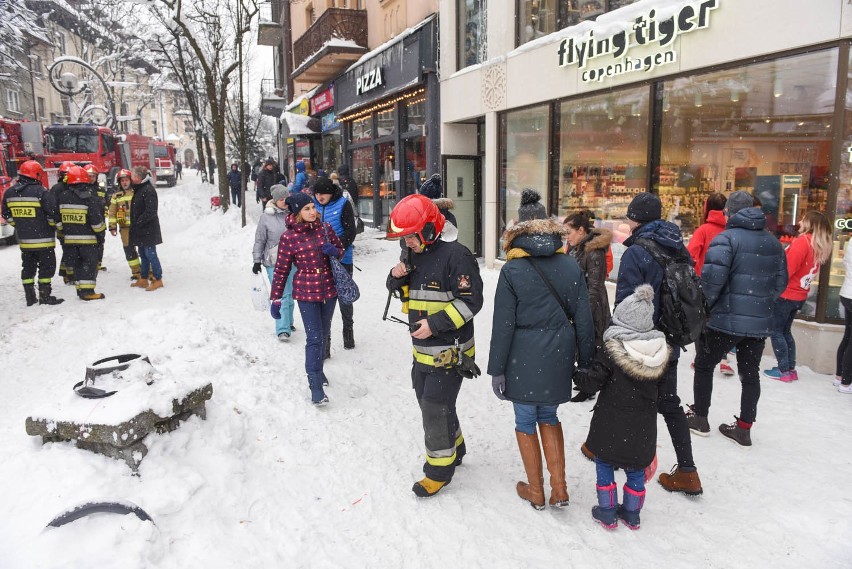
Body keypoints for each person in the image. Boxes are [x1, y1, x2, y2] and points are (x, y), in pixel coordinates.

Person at [488, 212, 594, 510]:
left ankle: (536, 490)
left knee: (525, 420)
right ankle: (559, 489)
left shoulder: (513, 270)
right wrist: (585, 361)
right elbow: (584, 319)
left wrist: (496, 368)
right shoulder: (570, 265)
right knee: (549, 416)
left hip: (522, 357)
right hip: (559, 355)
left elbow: (503, 325)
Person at [386, 194, 483, 498]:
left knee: (434, 407)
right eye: (403, 239)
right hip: (422, 352)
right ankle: (456, 446)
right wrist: (394, 277)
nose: (407, 244)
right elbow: (405, 293)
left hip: (450, 353)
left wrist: (435, 324)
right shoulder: (413, 254)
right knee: (433, 405)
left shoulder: (458, 256)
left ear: (428, 229)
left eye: (410, 237)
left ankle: (439, 471)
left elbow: (471, 302)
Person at [615, 192, 702, 495]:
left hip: (643, 340)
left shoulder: (636, 253)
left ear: (634, 219)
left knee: (636, 402)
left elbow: (626, 306)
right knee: (668, 402)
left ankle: (635, 465)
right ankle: (688, 471)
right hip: (672, 338)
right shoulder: (678, 246)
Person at [687, 191, 787, 447]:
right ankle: (744, 428)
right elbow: (780, 283)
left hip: (724, 320)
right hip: (757, 322)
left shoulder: (726, 239)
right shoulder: (773, 243)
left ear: (729, 212)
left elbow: (710, 283)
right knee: (750, 374)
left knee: (705, 365)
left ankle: (700, 418)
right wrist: (760, 304)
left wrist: (706, 308)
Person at [575, 284, 670, 530]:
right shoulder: (660, 353)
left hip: (610, 423)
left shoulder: (612, 351)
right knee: (637, 468)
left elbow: (591, 382)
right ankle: (632, 513)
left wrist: (575, 373)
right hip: (643, 427)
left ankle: (607, 511)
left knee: (605, 464)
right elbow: (665, 393)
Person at [269, 192, 343, 406]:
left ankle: (319, 372)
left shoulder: (326, 229)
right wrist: (276, 299)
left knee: (325, 332)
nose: (313, 212)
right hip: (306, 291)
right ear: (297, 213)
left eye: (313, 207)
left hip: (329, 289)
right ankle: (315, 385)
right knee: (314, 337)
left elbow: (341, 249)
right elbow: (281, 270)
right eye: (307, 209)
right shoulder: (289, 237)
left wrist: (334, 251)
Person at [764, 211, 831, 382]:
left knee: (777, 331)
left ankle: (783, 370)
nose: (800, 221)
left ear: (810, 223)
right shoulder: (817, 244)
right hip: (798, 296)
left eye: (804, 219)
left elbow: (788, 270)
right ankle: (789, 368)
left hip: (787, 294)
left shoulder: (803, 242)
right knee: (785, 331)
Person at [564, 209, 613, 403]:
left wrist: (584, 313)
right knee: (583, 345)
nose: (566, 237)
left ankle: (590, 386)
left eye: (569, 232)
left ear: (582, 230)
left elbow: (594, 287)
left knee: (592, 346)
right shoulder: (578, 249)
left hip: (593, 309)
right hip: (581, 306)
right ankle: (585, 381)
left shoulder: (594, 252)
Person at [1, 160, 64, 306]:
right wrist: (55, 227)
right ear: (36, 174)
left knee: (28, 268)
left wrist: (19, 224)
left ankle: (30, 297)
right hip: (44, 240)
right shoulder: (41, 192)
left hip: (24, 241)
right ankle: (45, 296)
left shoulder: (10, 192)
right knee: (46, 267)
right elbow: (52, 214)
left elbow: (6, 213)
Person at [687, 193, 735, 376]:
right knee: (720, 322)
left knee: (702, 321)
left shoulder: (704, 230)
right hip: (728, 284)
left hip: (705, 283)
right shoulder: (731, 232)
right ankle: (722, 358)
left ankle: (701, 357)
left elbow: (691, 255)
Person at [313, 177, 358, 351]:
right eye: (316, 193)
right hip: (321, 261)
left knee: (344, 297)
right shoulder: (313, 206)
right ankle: (326, 342)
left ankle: (348, 331)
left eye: (322, 193)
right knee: (325, 300)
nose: (319, 197)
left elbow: (350, 231)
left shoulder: (342, 204)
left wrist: (337, 247)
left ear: (331, 192)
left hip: (342, 259)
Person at [57, 165, 107, 301]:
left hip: (69, 241)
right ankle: (88, 292)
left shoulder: (62, 197)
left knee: (77, 265)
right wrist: (101, 233)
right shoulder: (89, 197)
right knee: (89, 265)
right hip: (88, 240)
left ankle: (80, 289)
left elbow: (58, 219)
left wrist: (63, 232)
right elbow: (96, 222)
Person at [253, 185, 296, 340]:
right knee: (282, 295)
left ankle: (289, 322)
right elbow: (260, 240)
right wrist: (257, 260)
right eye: (281, 199)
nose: (284, 202)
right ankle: (282, 329)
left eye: (286, 199)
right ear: (275, 200)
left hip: (292, 261)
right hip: (274, 262)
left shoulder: (293, 214)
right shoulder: (266, 217)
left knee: (291, 294)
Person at [129, 166, 164, 292]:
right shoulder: (140, 189)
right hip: (141, 229)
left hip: (148, 229)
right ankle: (143, 278)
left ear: (138, 177)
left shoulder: (148, 190)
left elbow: (151, 211)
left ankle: (157, 279)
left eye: (132, 176)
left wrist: (139, 222)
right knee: (143, 254)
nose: (131, 178)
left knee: (150, 254)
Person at [107, 169, 142, 283]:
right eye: (122, 181)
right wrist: (112, 226)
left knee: (143, 249)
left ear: (130, 180)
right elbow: (112, 212)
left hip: (138, 227)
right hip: (125, 228)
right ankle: (136, 272)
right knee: (129, 250)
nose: (125, 183)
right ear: (119, 182)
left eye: (126, 180)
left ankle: (147, 270)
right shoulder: (116, 196)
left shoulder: (137, 192)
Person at [50, 161, 75, 284]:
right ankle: (69, 275)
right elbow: (53, 209)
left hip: (70, 225)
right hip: (63, 226)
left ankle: (66, 272)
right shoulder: (58, 189)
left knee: (69, 249)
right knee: (69, 250)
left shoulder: (70, 187)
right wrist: (59, 225)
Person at [836, 241, 852, 394]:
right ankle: (846, 383)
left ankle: (840, 376)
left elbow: (846, 262)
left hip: (847, 293)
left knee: (847, 337)